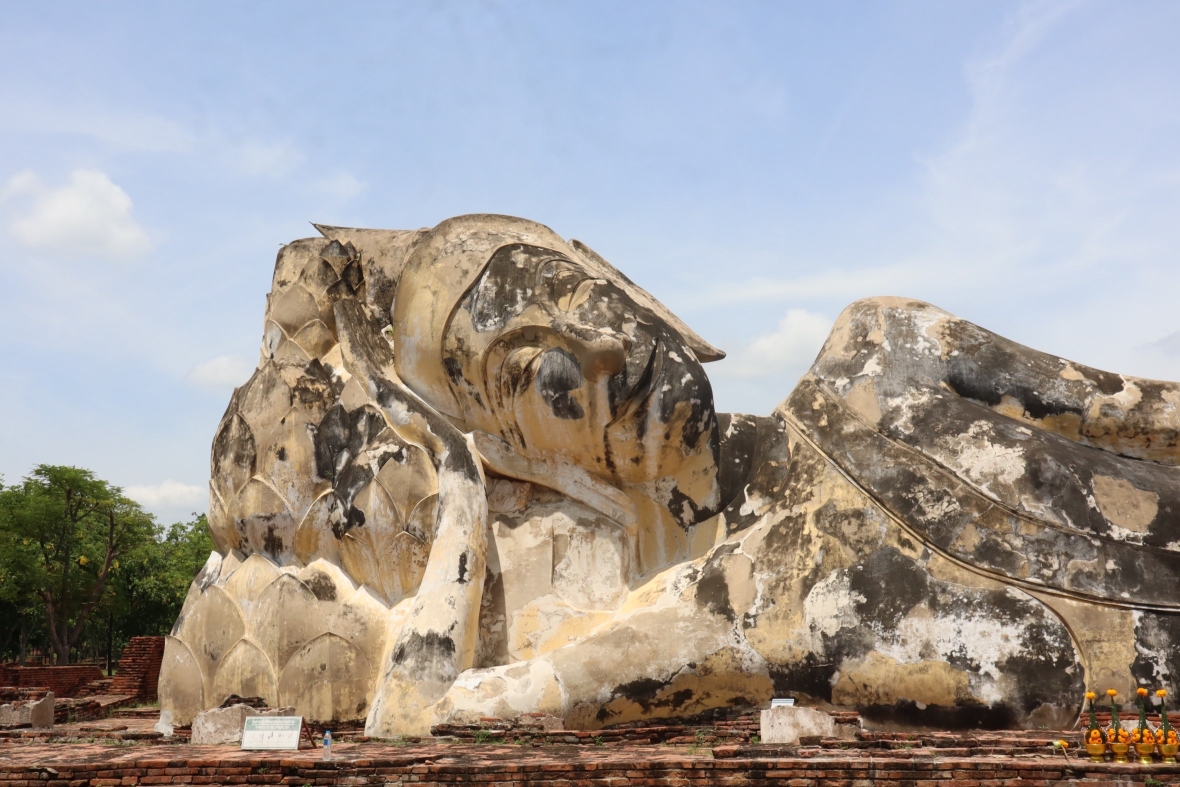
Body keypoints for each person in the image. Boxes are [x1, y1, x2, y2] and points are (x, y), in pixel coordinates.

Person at [159, 214, 1180, 736]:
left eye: (575, 294)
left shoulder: (880, 349)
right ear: (517, 455)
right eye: (530, 368)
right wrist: (462, 497)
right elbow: (424, 711)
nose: (597, 345)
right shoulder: (721, 606)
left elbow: (1147, 408)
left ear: (628, 287)